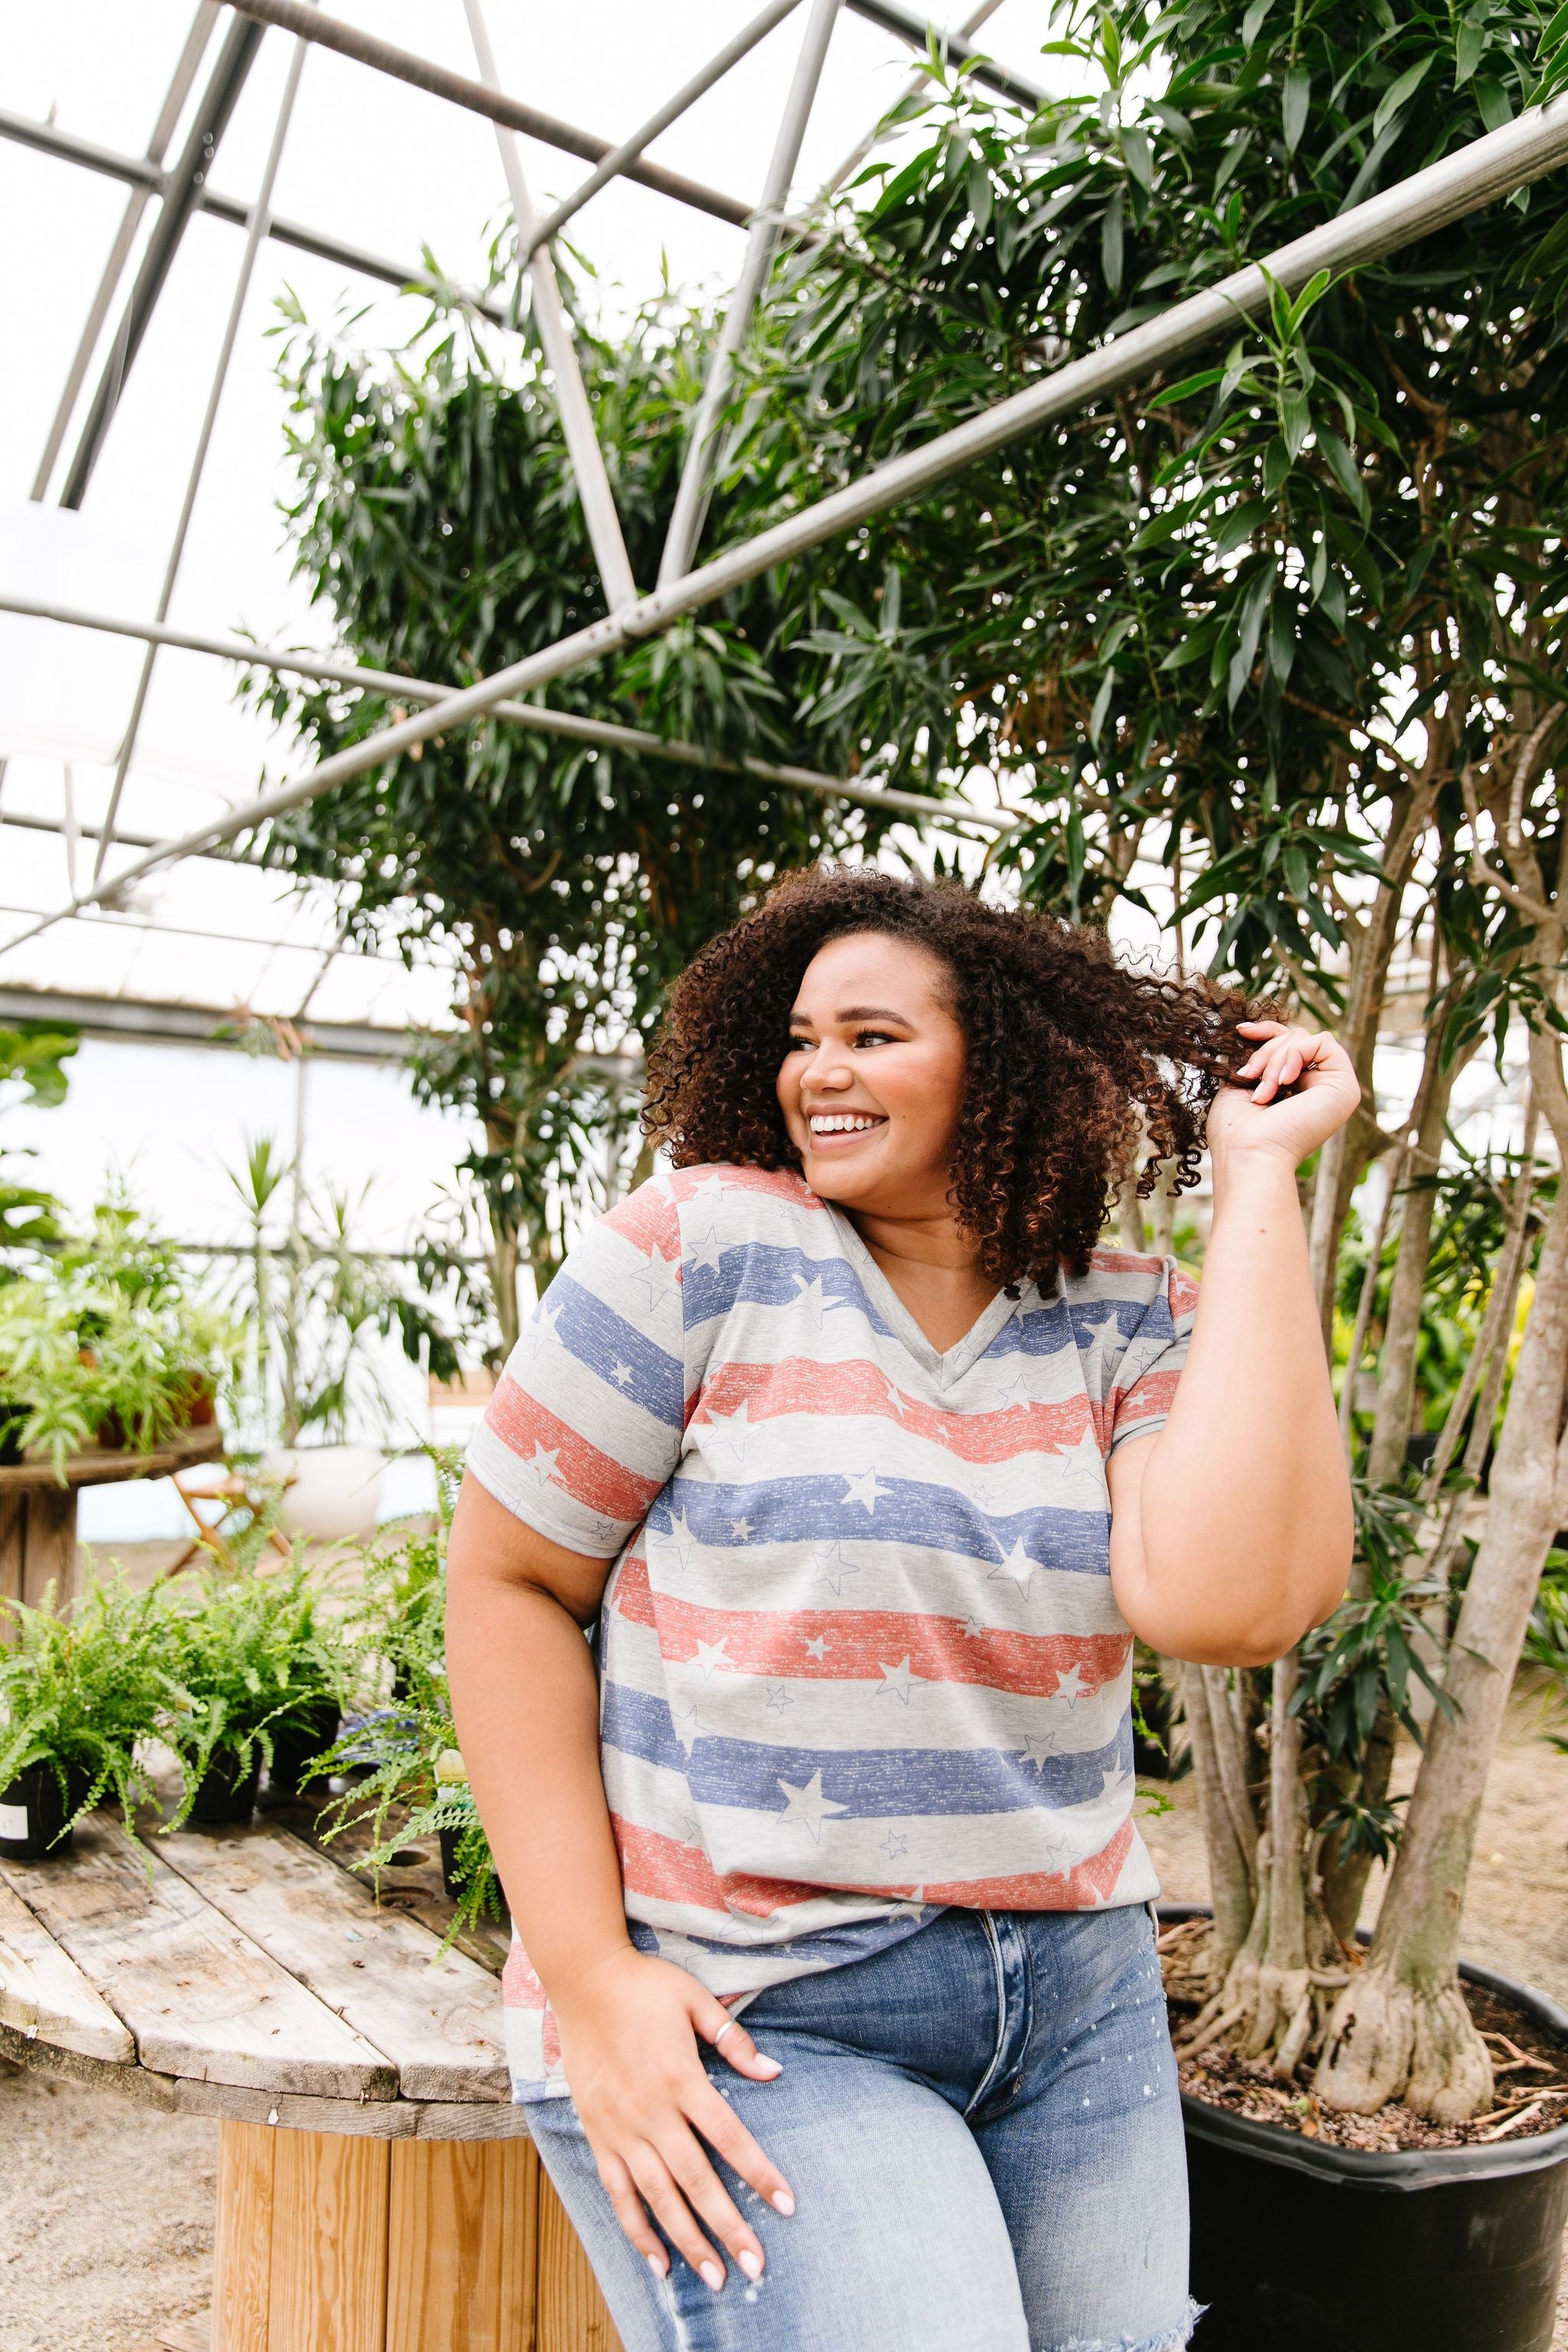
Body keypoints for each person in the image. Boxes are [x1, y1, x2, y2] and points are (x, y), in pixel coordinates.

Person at [446, 867, 1355, 2352]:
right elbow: (506, 1587)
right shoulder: (703, 1249)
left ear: (999, 1064)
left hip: (1079, 2003)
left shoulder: (1124, 1312)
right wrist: (592, 1981)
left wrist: (1258, 1179)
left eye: (872, 1036)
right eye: (802, 1038)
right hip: (759, 2004)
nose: (819, 1071)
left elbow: (1230, 1606)